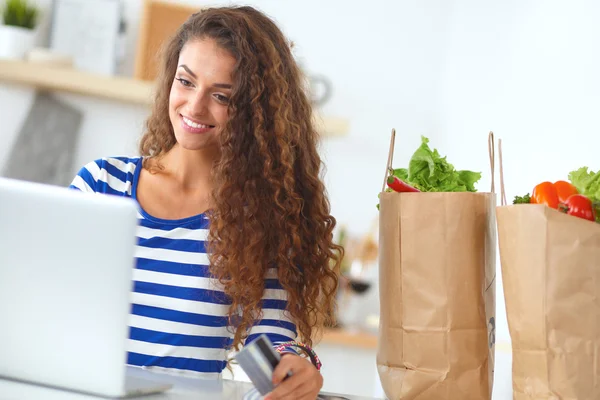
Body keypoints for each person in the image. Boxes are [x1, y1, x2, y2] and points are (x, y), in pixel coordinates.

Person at [69, 5, 343, 400]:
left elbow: (269, 345)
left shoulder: (258, 219)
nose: (194, 107)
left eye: (222, 96)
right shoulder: (101, 184)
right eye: (186, 81)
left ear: (254, 114)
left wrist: (296, 364)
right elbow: (50, 303)